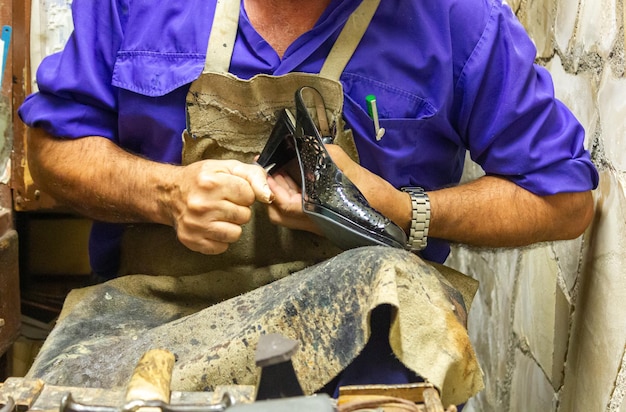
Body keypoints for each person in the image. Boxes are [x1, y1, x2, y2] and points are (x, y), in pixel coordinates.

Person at [18, 0, 598, 407]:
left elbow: (564, 198)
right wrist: (164, 192)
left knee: (405, 315)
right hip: (154, 321)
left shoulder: (456, 18)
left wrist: (401, 207)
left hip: (360, 328)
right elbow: (51, 152)